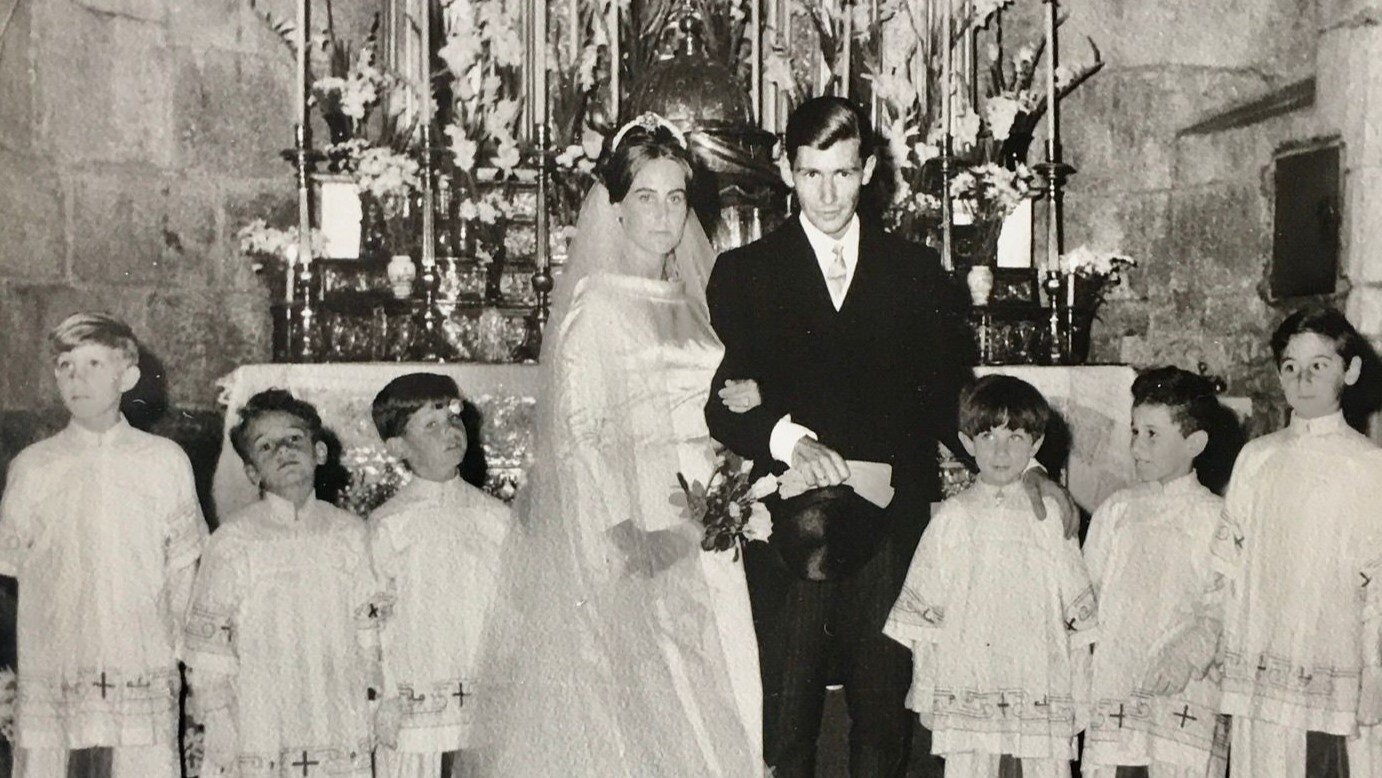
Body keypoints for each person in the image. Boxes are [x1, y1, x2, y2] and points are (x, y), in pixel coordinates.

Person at [703, 95, 1077, 777]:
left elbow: (946, 398)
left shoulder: (914, 274)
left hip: (890, 526)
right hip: (792, 527)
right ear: (788, 170)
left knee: (880, 718)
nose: (826, 193)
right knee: (787, 725)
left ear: (869, 169)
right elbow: (724, 406)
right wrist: (788, 437)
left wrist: (1023, 462)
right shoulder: (746, 274)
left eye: (842, 174)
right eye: (812, 174)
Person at [464, 113, 764, 776]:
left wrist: (739, 427)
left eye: (676, 198)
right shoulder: (596, 307)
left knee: (723, 674)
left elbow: (705, 398)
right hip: (636, 511)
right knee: (649, 694)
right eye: (646, 198)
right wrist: (625, 530)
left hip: (708, 508)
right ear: (616, 208)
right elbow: (580, 433)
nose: (663, 215)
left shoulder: (691, 299)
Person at [1147, 306, 1382, 778]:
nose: (1303, 379)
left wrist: (1375, 670)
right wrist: (1202, 643)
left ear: (1350, 371)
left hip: (1332, 667)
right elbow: (1228, 572)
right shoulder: (1257, 460)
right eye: (1291, 367)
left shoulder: (1369, 466)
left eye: (1320, 365)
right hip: (1261, 667)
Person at [0, 312, 206, 778]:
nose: (77, 378)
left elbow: (184, 574)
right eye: (65, 366)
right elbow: (8, 574)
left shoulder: (163, 462)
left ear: (127, 376)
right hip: (57, 660)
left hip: (138, 656)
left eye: (94, 363)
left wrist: (184, 661)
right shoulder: (34, 466)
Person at [884, 375, 1097, 778]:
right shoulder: (952, 518)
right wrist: (932, 685)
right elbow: (925, 624)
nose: (1001, 451)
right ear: (967, 443)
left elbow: (1077, 621)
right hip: (971, 676)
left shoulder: (1048, 516)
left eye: (1015, 438)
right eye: (988, 436)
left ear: (1035, 445)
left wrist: (1078, 686)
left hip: (1038, 672)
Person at [184, 389, 379, 777]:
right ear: (253, 472)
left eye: (294, 439)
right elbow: (209, 642)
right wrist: (219, 713)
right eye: (266, 446)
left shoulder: (351, 534)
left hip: (334, 705)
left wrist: (373, 695)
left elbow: (369, 625)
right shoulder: (234, 541)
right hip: (259, 712)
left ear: (319, 453)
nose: (284, 451)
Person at [1082, 367, 1234, 778]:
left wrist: (1187, 655)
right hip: (1118, 681)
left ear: (1194, 443)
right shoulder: (1116, 512)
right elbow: (1086, 594)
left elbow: (1224, 605)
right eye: (1134, 431)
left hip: (1182, 687)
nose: (1136, 447)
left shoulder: (1215, 518)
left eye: (1152, 434)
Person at [368, 373, 511, 778]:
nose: (449, 431)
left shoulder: (496, 518)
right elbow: (374, 621)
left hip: (485, 690)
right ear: (397, 446)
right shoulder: (388, 525)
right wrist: (385, 695)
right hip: (417, 698)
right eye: (430, 425)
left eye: (453, 418)